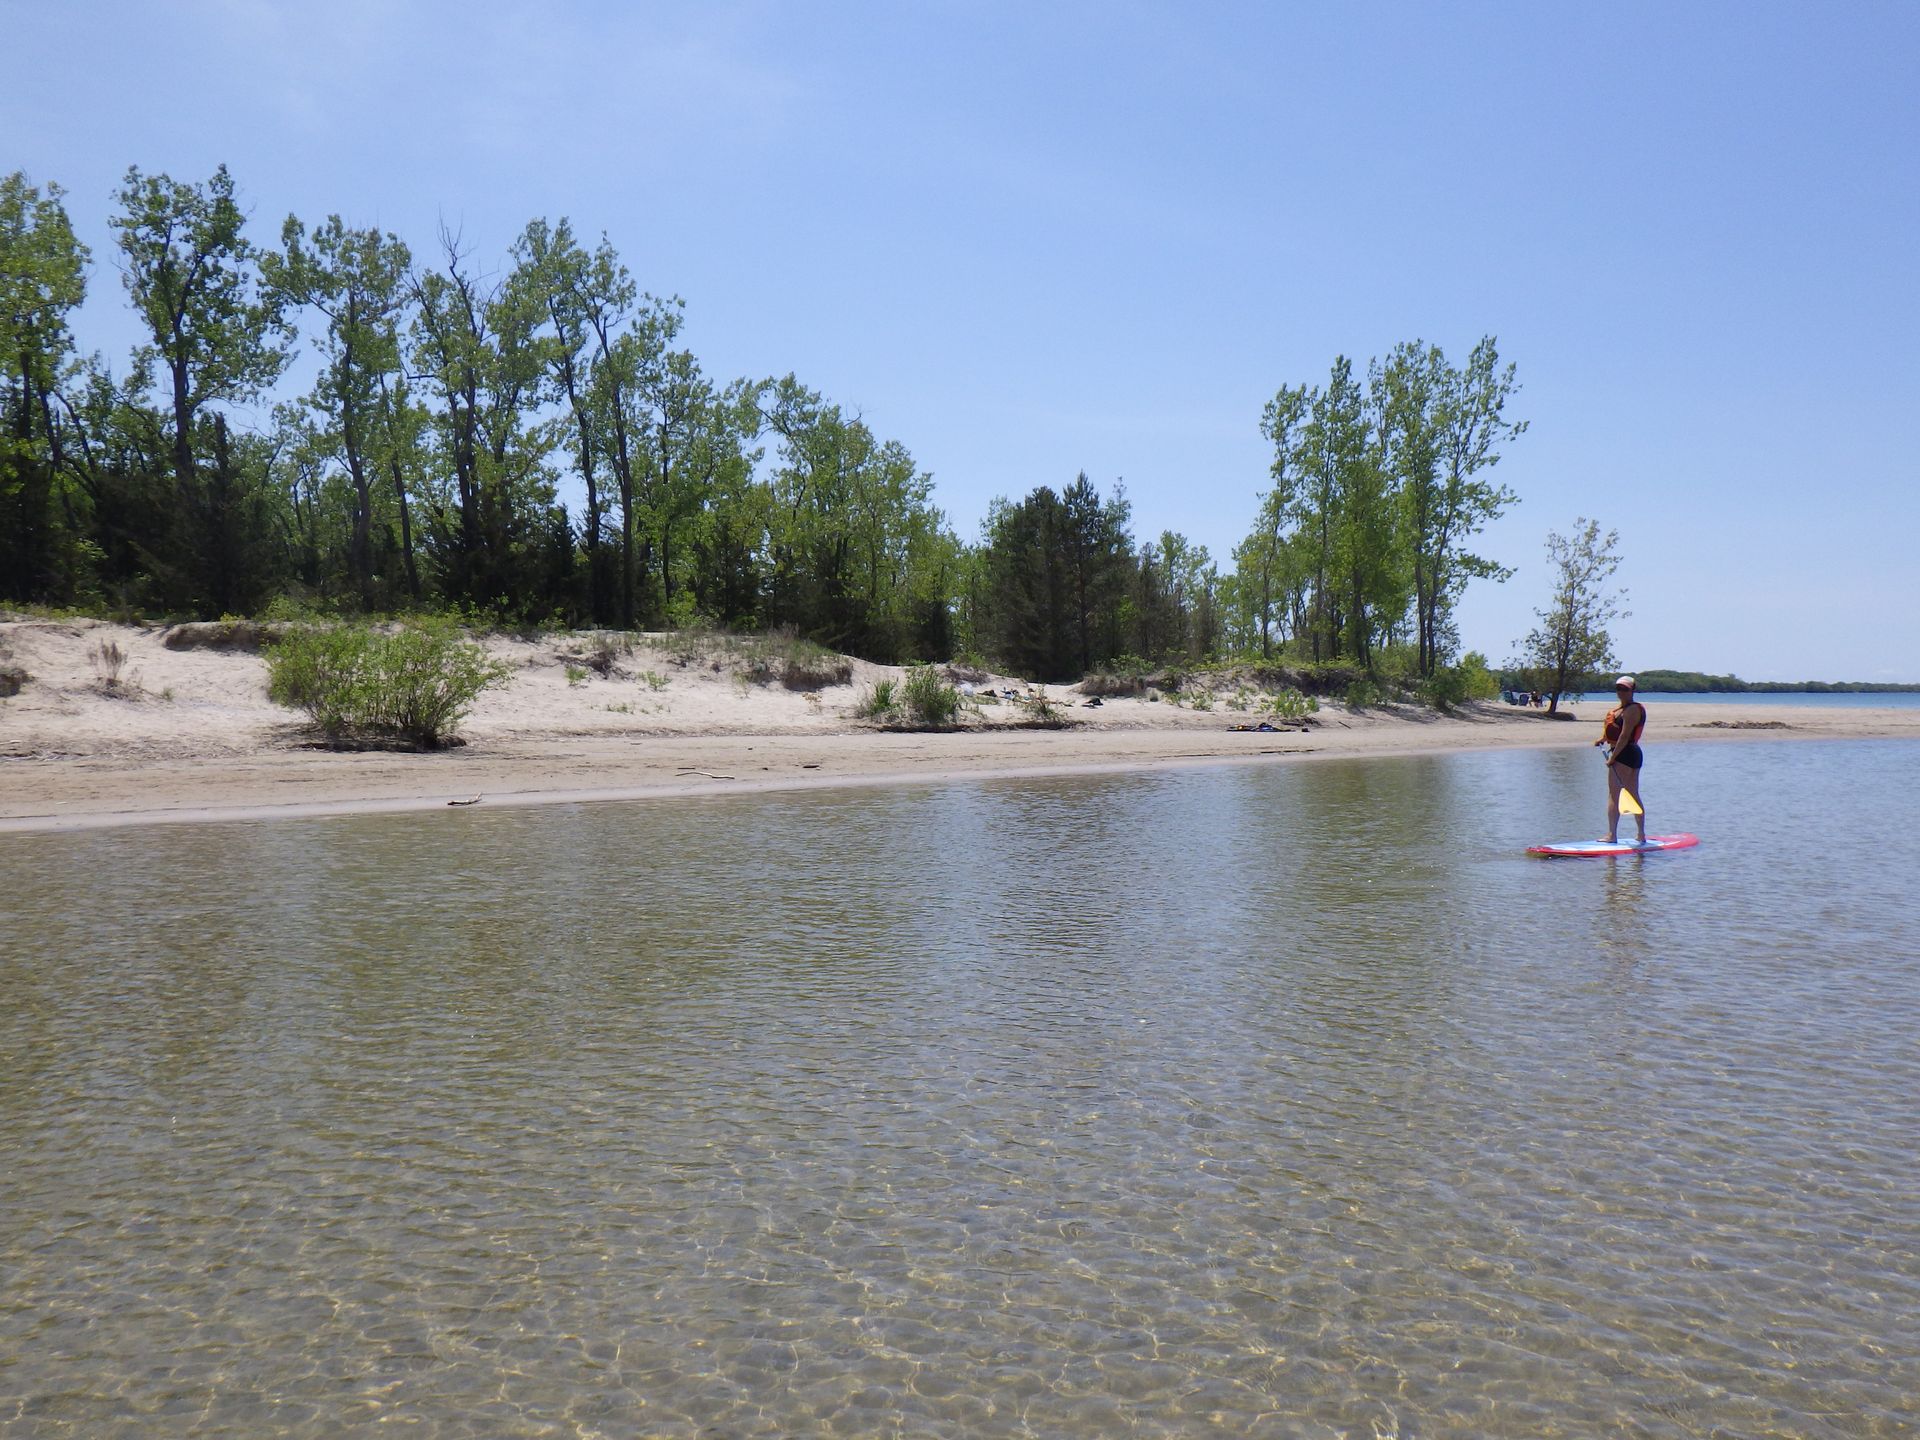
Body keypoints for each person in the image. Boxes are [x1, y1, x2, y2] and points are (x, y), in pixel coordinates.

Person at [1594, 675, 1647, 843]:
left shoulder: (1632, 710)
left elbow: (1624, 736)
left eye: (1625, 689)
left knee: (1614, 794)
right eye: (1618, 688)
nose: (1621, 692)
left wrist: (1613, 758)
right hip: (1628, 753)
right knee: (1631, 793)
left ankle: (1612, 835)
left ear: (1632, 690)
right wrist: (1603, 739)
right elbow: (1615, 730)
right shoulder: (1618, 710)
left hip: (1625, 753)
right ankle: (1640, 835)